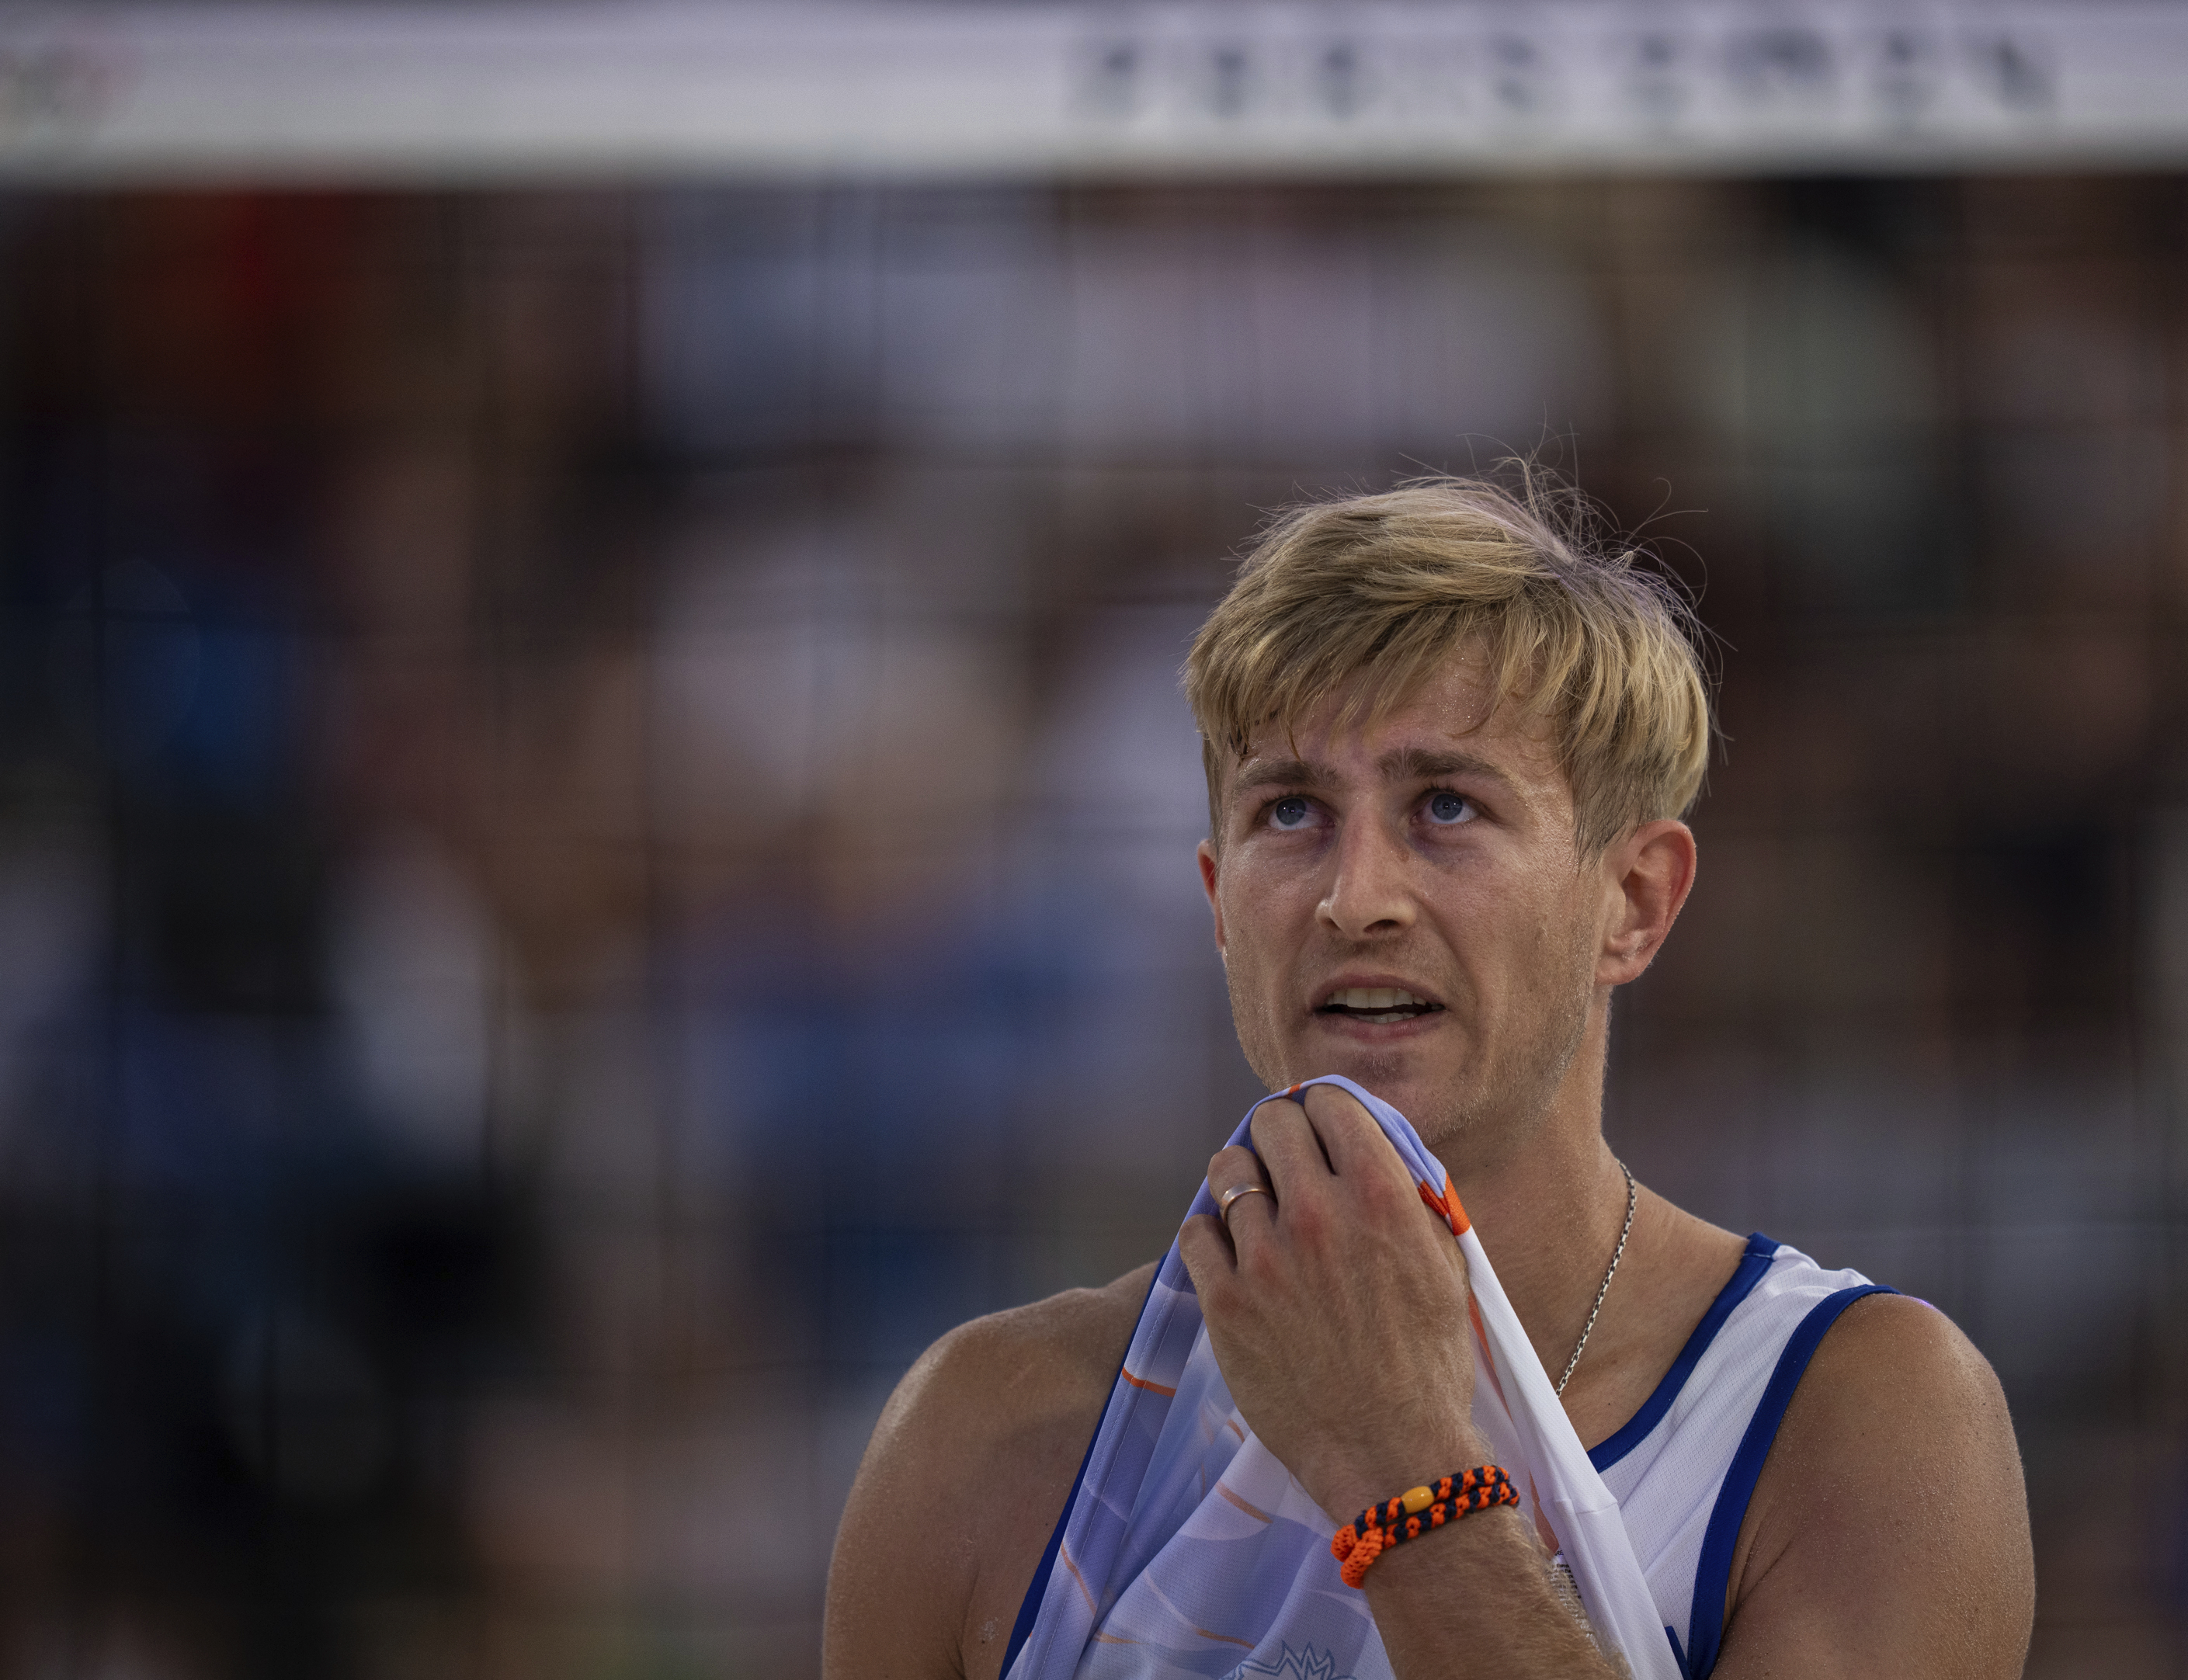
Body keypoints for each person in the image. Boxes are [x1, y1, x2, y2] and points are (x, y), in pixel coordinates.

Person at [825, 476, 2033, 1680]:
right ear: (1220, 908)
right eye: (1291, 810)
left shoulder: (1867, 1419)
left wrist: (1400, 1460)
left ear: (1635, 902)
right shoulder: (981, 1435)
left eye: (1445, 805)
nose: (1356, 897)